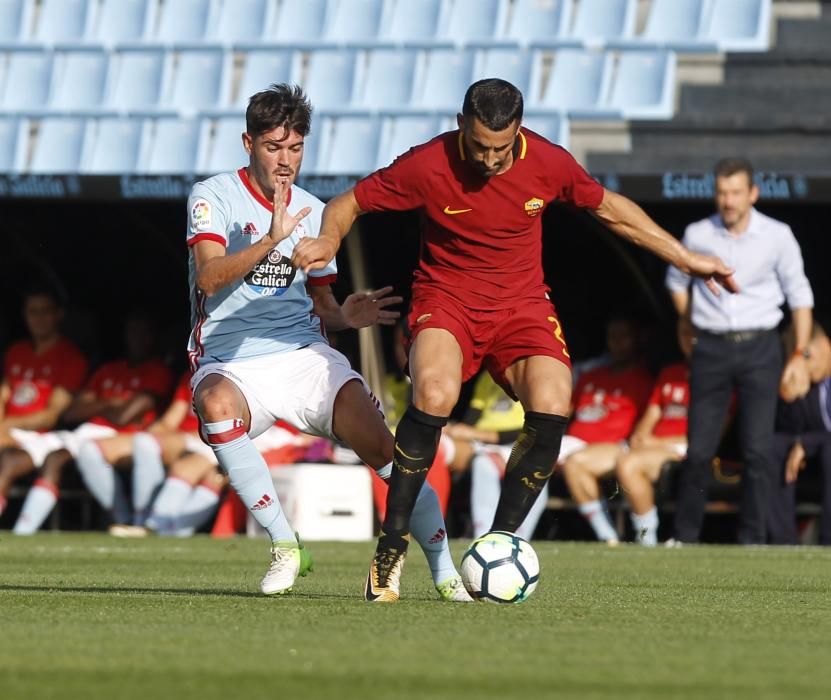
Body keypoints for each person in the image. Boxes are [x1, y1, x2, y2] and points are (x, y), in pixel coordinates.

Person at [292, 78, 736, 600]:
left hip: (521, 306)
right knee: (434, 393)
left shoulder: (548, 162)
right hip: (447, 299)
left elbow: (612, 209)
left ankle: (499, 543)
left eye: (501, 148)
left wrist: (685, 258)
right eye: (479, 145)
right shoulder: (428, 163)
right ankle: (391, 548)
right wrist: (328, 238)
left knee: (553, 399)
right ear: (461, 126)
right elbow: (347, 203)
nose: (490, 159)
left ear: (519, 132)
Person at [186, 83, 470, 601]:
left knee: (390, 452)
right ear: (247, 143)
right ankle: (284, 544)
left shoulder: (317, 213)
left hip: (304, 356)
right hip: (231, 360)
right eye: (273, 147)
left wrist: (345, 314)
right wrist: (271, 238)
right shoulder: (212, 196)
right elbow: (208, 279)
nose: (285, 160)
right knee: (215, 406)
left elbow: (322, 306)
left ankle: (446, 571)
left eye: (295, 148)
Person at [666, 157, 814, 545]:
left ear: (753, 193)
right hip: (711, 346)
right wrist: (688, 321)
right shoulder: (699, 232)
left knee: (757, 451)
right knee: (698, 450)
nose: (728, 201)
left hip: (760, 346)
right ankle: (684, 537)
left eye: (735, 193)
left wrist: (799, 354)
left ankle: (753, 540)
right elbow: (676, 280)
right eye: (721, 193)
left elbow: (800, 297)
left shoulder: (776, 235)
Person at [12, 312, 173, 534]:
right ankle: (21, 532)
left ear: (153, 337)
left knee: (61, 458)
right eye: (132, 332)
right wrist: (111, 402)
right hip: (82, 432)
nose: (136, 338)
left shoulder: (157, 371)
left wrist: (97, 404)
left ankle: (125, 519)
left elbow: (123, 417)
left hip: (120, 438)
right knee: (26, 457)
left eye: (143, 332)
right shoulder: (109, 370)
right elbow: (72, 412)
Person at [558, 315, 653, 544]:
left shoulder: (644, 380)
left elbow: (647, 423)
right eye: (613, 337)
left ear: (637, 339)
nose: (617, 343)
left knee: (575, 462)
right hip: (576, 442)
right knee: (531, 458)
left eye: (624, 337)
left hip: (617, 446)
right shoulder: (592, 375)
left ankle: (619, 537)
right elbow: (566, 411)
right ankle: (516, 534)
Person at [0, 285, 88, 521]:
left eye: (44, 311)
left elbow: (50, 416)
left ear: (58, 315)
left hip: (42, 436)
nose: (38, 318)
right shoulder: (16, 351)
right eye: (32, 312)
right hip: (7, 431)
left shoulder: (71, 357)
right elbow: (3, 395)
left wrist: (6, 426)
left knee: (7, 463)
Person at [616, 320, 695, 545]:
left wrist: (656, 444)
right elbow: (651, 415)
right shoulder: (671, 373)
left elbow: (714, 435)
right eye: (684, 333)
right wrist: (640, 436)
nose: (689, 340)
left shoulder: (717, 378)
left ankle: (647, 537)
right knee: (580, 461)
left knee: (628, 464)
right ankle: (610, 535)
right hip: (653, 444)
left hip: (683, 446)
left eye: (695, 334)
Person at [445, 370, 546, 541]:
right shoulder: (488, 376)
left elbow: (540, 426)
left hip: (524, 444)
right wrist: (454, 430)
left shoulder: (534, 374)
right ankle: (482, 535)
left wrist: (478, 434)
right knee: (480, 462)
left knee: (536, 472)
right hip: (483, 446)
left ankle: (516, 539)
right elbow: (471, 419)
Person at [767, 321, 831, 545]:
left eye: (807, 355)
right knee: (773, 445)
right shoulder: (802, 381)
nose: (805, 365)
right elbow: (789, 429)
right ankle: (783, 541)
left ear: (824, 344)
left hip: (823, 449)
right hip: (808, 451)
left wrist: (804, 443)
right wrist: (788, 399)